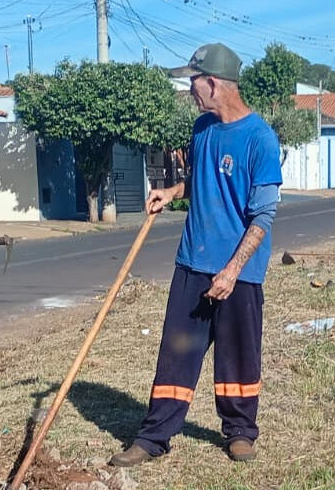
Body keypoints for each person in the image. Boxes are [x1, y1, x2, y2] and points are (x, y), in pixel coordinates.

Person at [110, 43, 282, 468]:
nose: (190, 91)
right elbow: (200, 181)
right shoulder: (203, 130)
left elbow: (263, 215)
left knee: (237, 354)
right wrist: (171, 193)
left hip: (237, 276)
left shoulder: (260, 139)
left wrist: (232, 270)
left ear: (213, 83)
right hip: (193, 265)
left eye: (193, 82)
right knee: (177, 351)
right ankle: (154, 437)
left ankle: (240, 433)